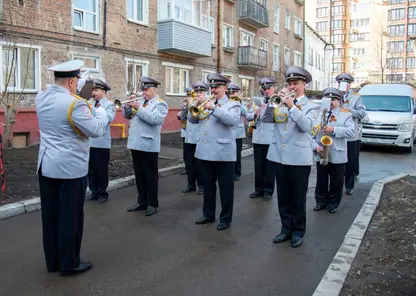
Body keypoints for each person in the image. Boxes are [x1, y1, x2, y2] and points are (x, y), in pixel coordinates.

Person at [36, 60, 108, 276]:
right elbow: (95, 130)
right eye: (76, 82)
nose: (78, 86)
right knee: (71, 217)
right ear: (70, 82)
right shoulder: (75, 104)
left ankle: (53, 262)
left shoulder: (41, 97)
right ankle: (69, 263)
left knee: (50, 217)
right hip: (69, 169)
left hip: (46, 165)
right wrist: (102, 113)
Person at [262, 66, 320, 248]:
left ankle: (298, 231)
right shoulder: (279, 102)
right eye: (290, 83)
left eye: (296, 83)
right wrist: (273, 102)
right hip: (278, 156)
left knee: (298, 197)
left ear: (304, 85)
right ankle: (285, 228)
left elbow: (307, 127)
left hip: (299, 157)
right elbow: (265, 119)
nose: (292, 87)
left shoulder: (313, 106)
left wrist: (292, 106)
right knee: (284, 196)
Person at [192, 73, 241, 231]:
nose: (213, 90)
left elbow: (232, 121)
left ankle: (225, 218)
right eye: (212, 87)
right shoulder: (205, 102)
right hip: (205, 152)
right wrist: (193, 105)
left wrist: (214, 108)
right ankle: (208, 214)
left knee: (226, 189)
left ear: (225, 88)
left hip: (223, 153)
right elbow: (193, 120)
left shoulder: (233, 104)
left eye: (217, 87)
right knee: (208, 186)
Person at [124, 76, 169, 216]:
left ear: (154, 89)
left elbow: (154, 119)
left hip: (149, 144)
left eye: (147, 89)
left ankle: (152, 203)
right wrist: (127, 106)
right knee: (139, 175)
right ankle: (141, 201)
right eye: (143, 89)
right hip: (136, 143)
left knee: (150, 175)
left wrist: (138, 107)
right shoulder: (141, 102)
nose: (144, 92)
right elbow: (128, 116)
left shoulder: (160, 104)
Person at [311, 88, 355, 214]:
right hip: (321, 152)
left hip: (337, 152)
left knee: (337, 181)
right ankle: (321, 201)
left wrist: (334, 129)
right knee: (321, 180)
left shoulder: (346, 114)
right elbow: (311, 134)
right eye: (328, 99)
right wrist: (315, 146)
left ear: (339, 101)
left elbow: (351, 131)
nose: (331, 102)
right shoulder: (318, 114)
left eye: (334, 100)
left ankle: (333, 203)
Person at [335, 73, 367, 195]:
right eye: (341, 83)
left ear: (349, 84)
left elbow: (362, 113)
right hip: (336, 133)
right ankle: (336, 185)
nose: (344, 86)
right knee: (336, 161)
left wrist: (349, 111)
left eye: (346, 83)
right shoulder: (334, 95)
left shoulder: (356, 97)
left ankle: (349, 185)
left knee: (350, 162)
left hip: (350, 135)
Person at [245, 77, 276, 201]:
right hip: (257, 138)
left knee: (269, 167)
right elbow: (247, 116)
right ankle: (258, 190)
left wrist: (267, 108)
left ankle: (268, 191)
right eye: (264, 89)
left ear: (274, 88)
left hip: (270, 138)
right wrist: (255, 113)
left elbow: (277, 117)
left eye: (269, 88)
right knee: (258, 166)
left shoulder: (277, 101)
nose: (266, 91)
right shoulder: (257, 101)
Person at [86, 78, 116, 203]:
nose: (93, 93)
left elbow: (107, 119)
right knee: (91, 169)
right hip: (89, 142)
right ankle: (94, 191)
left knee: (101, 169)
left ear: (103, 92)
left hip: (101, 142)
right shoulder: (90, 102)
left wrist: (91, 109)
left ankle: (102, 192)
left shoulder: (109, 105)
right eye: (93, 90)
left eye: (96, 90)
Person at [180, 83, 205, 195]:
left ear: (205, 93)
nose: (198, 94)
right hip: (188, 137)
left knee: (199, 163)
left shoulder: (205, 103)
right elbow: (184, 118)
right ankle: (191, 184)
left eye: (200, 92)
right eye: (197, 92)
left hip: (199, 137)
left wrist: (191, 106)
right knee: (188, 162)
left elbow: (194, 118)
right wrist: (185, 106)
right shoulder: (192, 103)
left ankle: (202, 185)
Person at [228, 83, 249, 181]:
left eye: (235, 92)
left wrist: (239, 104)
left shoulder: (241, 103)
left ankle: (237, 172)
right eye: (231, 93)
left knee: (237, 154)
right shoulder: (226, 102)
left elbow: (246, 113)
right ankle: (229, 172)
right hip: (228, 132)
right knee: (229, 153)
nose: (233, 95)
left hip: (238, 133)